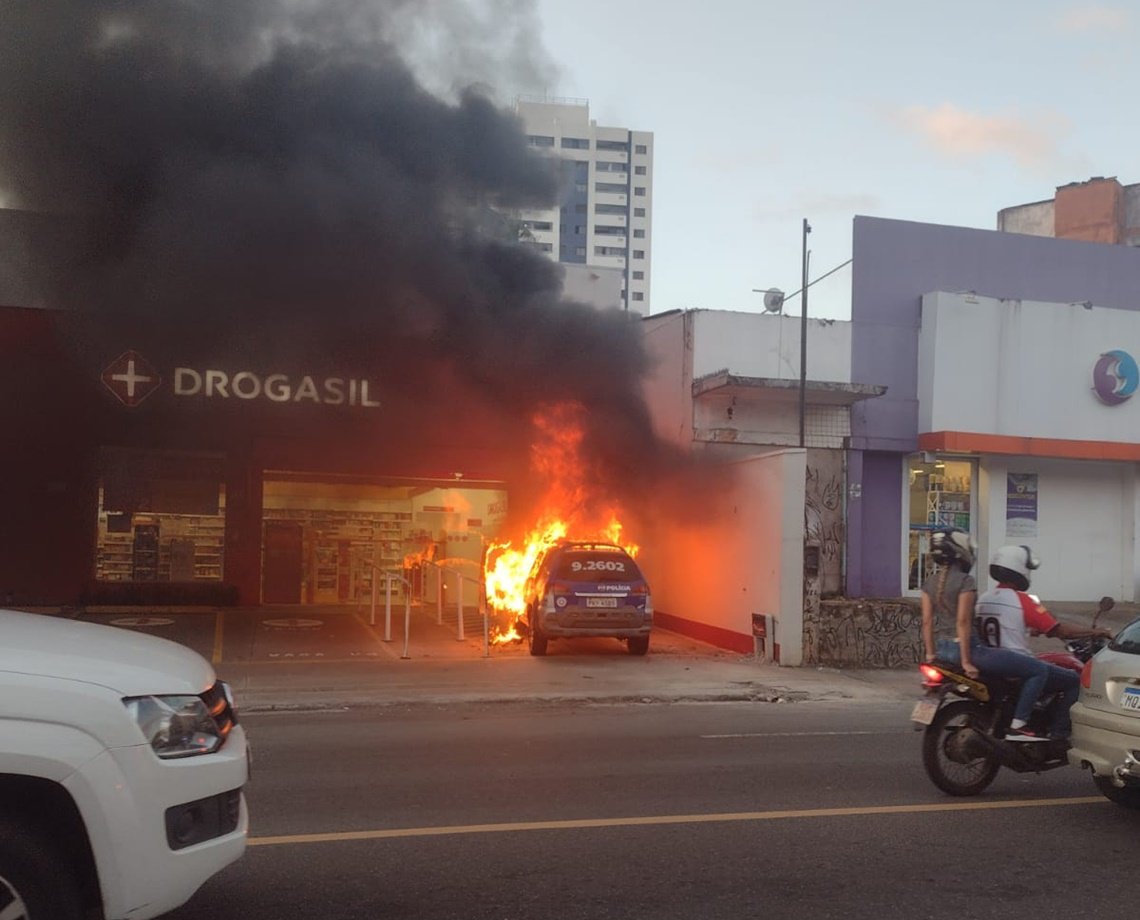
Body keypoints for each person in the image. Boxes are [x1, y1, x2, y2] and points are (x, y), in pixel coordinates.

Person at [972, 545, 1113, 742]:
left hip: (991, 663)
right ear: (1020, 569)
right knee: (1073, 680)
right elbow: (1059, 630)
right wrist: (1096, 631)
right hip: (1015, 664)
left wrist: (1030, 629)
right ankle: (1058, 734)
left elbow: (1003, 625)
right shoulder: (1023, 600)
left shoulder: (984, 599)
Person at [920, 527, 978, 675]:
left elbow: (927, 622)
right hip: (966, 649)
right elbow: (962, 622)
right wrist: (966, 662)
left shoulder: (929, 582)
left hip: (942, 649)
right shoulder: (966, 581)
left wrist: (930, 654)